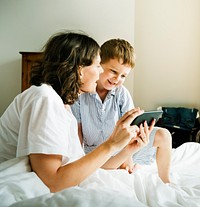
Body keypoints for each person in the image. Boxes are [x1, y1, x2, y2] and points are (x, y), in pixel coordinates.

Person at [0, 31, 155, 193]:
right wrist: (111, 144)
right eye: (97, 65)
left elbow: (84, 166)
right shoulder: (44, 98)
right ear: (79, 69)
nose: (101, 72)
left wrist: (128, 149)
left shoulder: (63, 106)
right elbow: (52, 182)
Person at [71, 38, 172, 183]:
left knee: (164, 135)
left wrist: (129, 156)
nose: (117, 79)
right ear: (99, 65)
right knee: (104, 160)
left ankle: (166, 181)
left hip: (122, 148)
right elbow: (77, 139)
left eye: (123, 76)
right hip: (96, 153)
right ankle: (117, 164)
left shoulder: (121, 93)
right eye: (113, 71)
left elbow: (131, 128)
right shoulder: (81, 95)